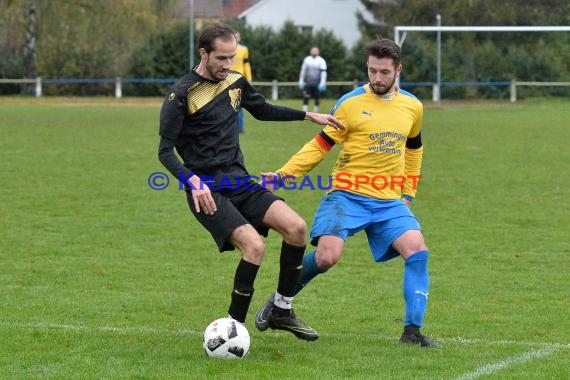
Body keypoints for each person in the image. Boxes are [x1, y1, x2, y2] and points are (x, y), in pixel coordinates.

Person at [157, 22, 345, 341]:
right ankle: (233, 329)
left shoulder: (235, 81)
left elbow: (262, 110)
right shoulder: (181, 93)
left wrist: (308, 115)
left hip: (241, 181)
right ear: (204, 53)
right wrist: (194, 183)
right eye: (222, 58)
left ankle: (281, 310)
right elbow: (165, 151)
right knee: (254, 246)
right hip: (207, 191)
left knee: (297, 228)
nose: (228, 64)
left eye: (232, 57)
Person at [255, 38, 437, 347]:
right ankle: (280, 303)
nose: (377, 78)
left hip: (389, 200)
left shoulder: (412, 106)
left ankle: (412, 332)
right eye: (371, 71)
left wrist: (409, 191)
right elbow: (320, 145)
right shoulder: (350, 103)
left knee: (417, 252)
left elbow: (414, 149)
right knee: (327, 257)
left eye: (383, 72)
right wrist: (284, 175)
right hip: (346, 195)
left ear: (398, 70)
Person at [230, 31, 252, 133]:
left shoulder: (244, 49)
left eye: (237, 37)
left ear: (239, 38)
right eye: (234, 37)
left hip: (239, 79)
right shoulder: (227, 49)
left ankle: (240, 128)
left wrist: (249, 78)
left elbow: (246, 64)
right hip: (228, 78)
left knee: (238, 104)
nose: (236, 38)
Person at [298, 46, 327, 112]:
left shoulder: (321, 60)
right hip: (308, 82)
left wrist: (322, 83)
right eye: (313, 51)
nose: (314, 52)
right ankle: (305, 111)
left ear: (318, 52)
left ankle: (315, 111)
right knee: (306, 96)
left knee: (317, 97)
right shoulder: (306, 59)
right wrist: (301, 80)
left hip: (318, 83)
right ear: (311, 51)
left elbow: (324, 72)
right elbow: (303, 71)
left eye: (316, 51)